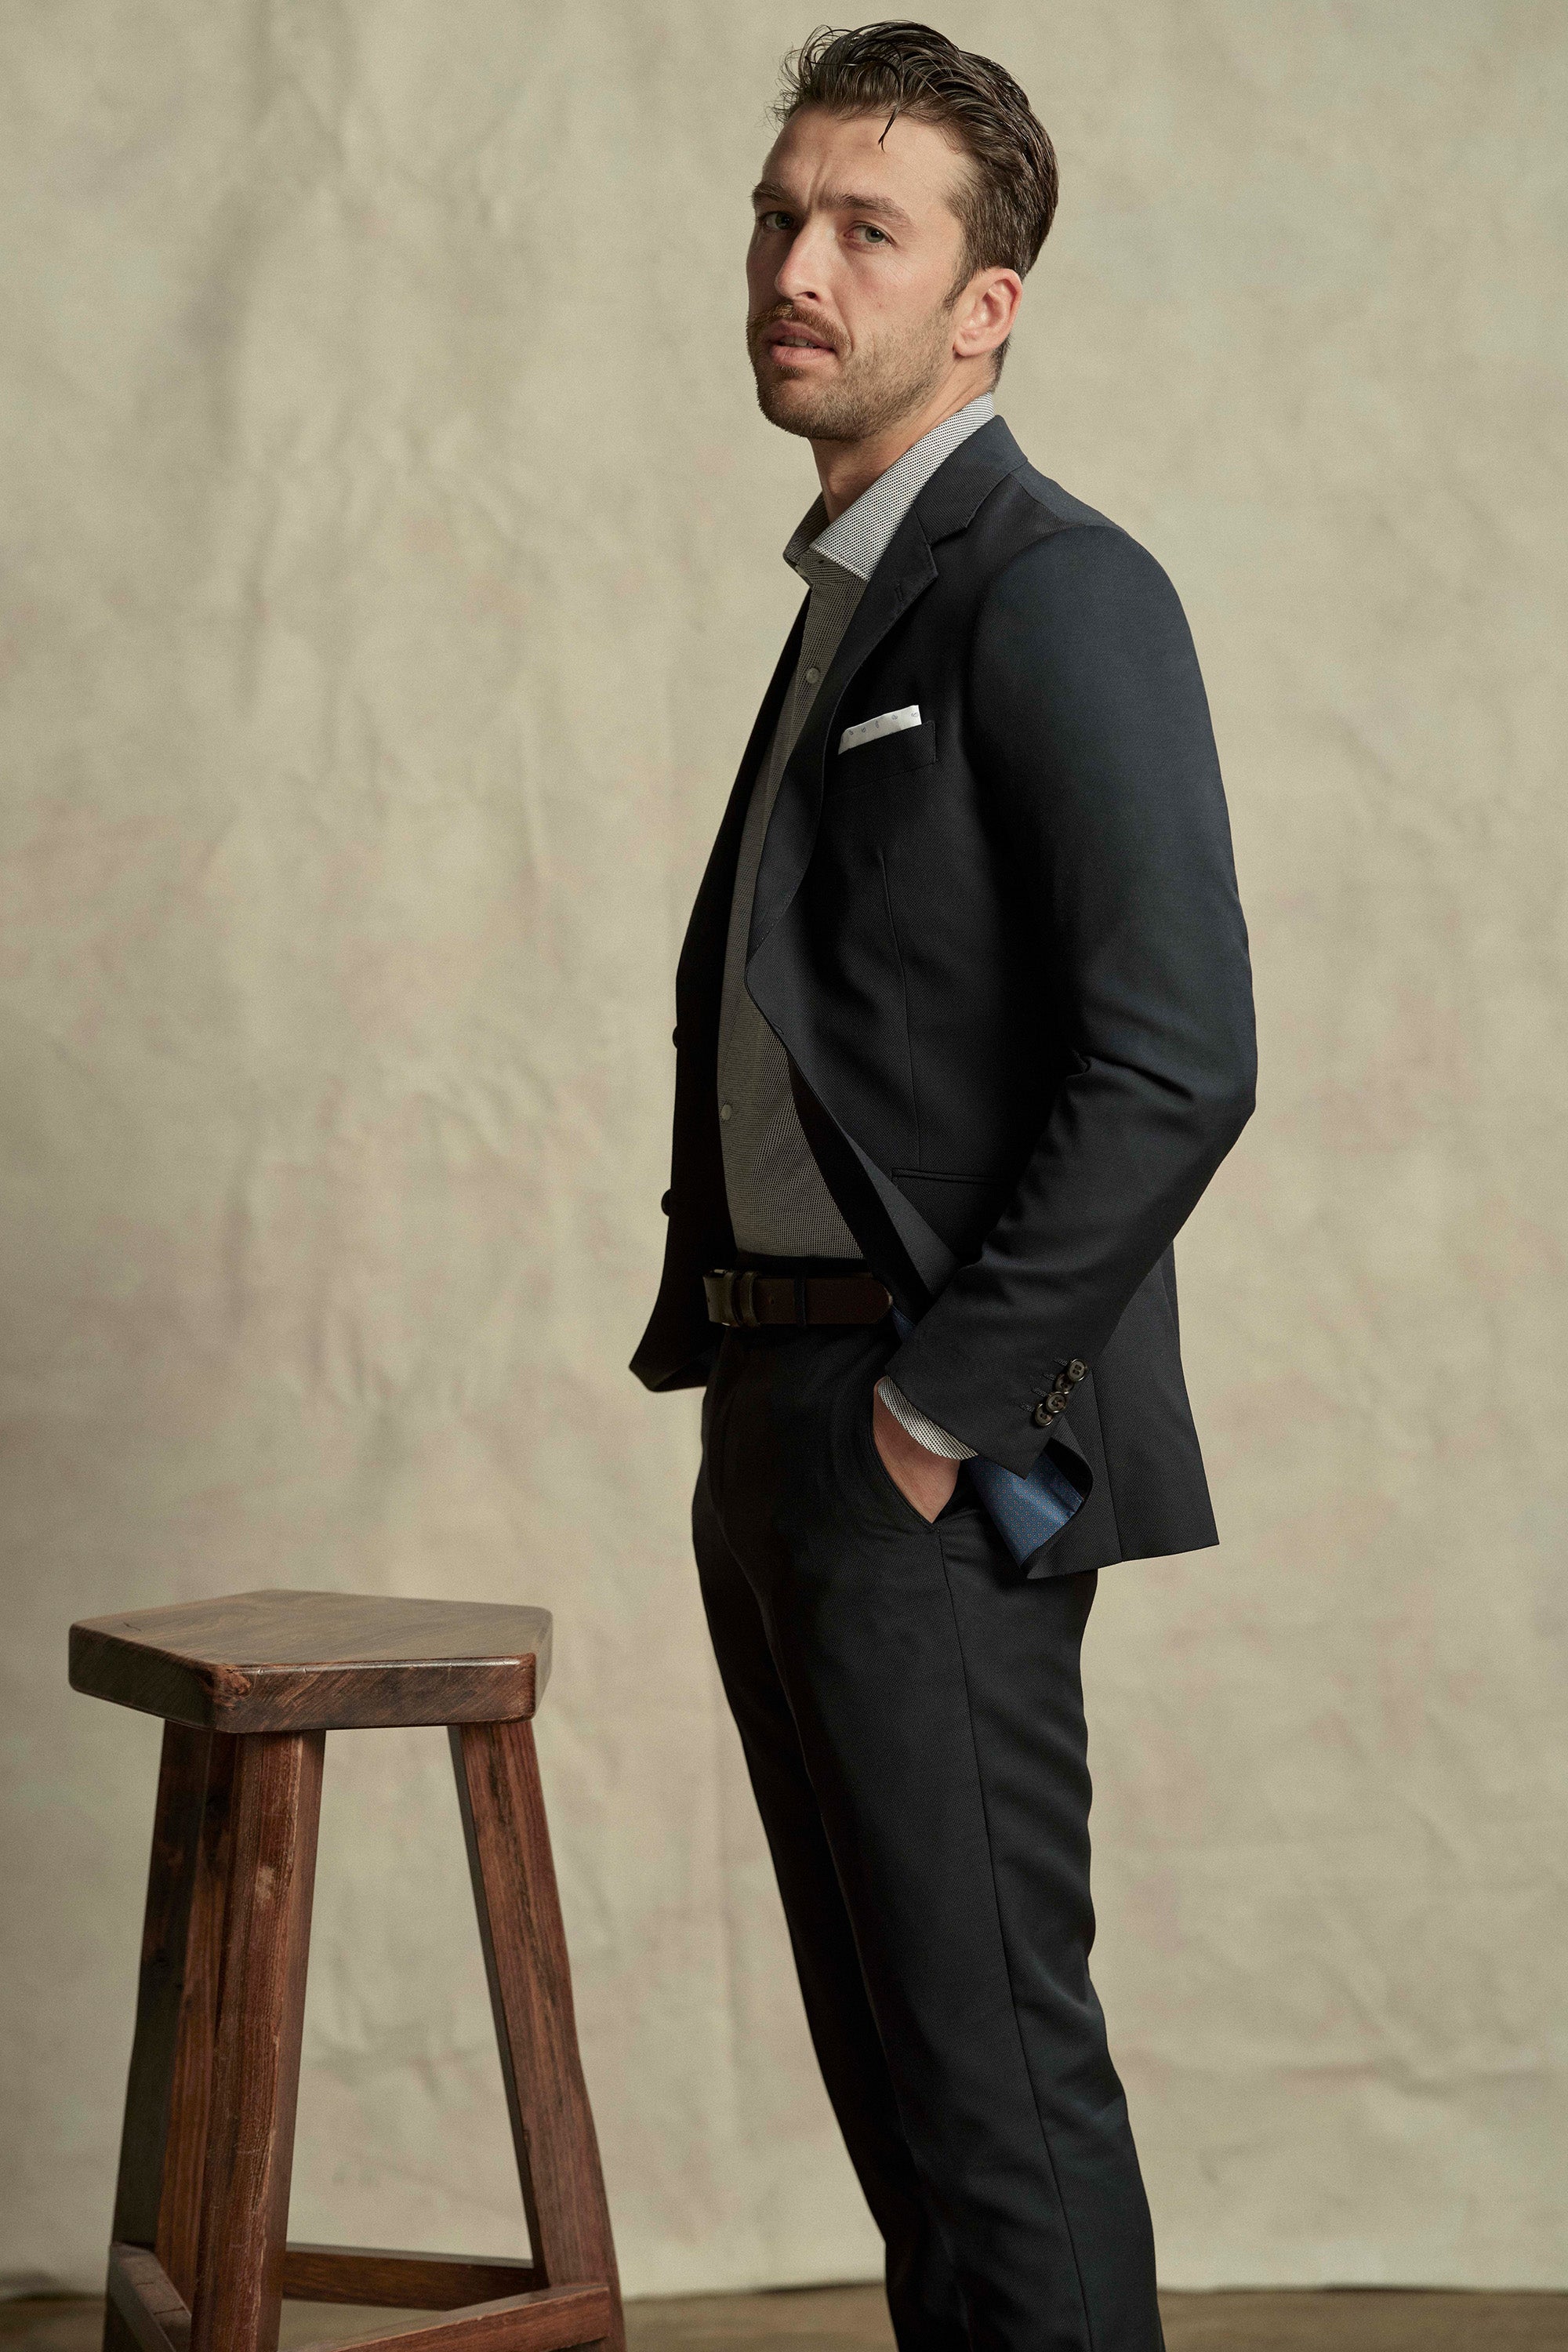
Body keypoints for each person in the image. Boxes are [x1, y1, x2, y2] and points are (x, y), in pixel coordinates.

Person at [630, 23, 1255, 2351]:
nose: (798, 265)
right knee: (902, 2105)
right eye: (782, 217)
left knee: (997, 2106)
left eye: (863, 228)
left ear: (985, 301)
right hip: (772, 1420)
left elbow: (1179, 1057)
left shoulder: (1054, 588)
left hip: (925, 1449)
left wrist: (936, 1416)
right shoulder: (853, 591)